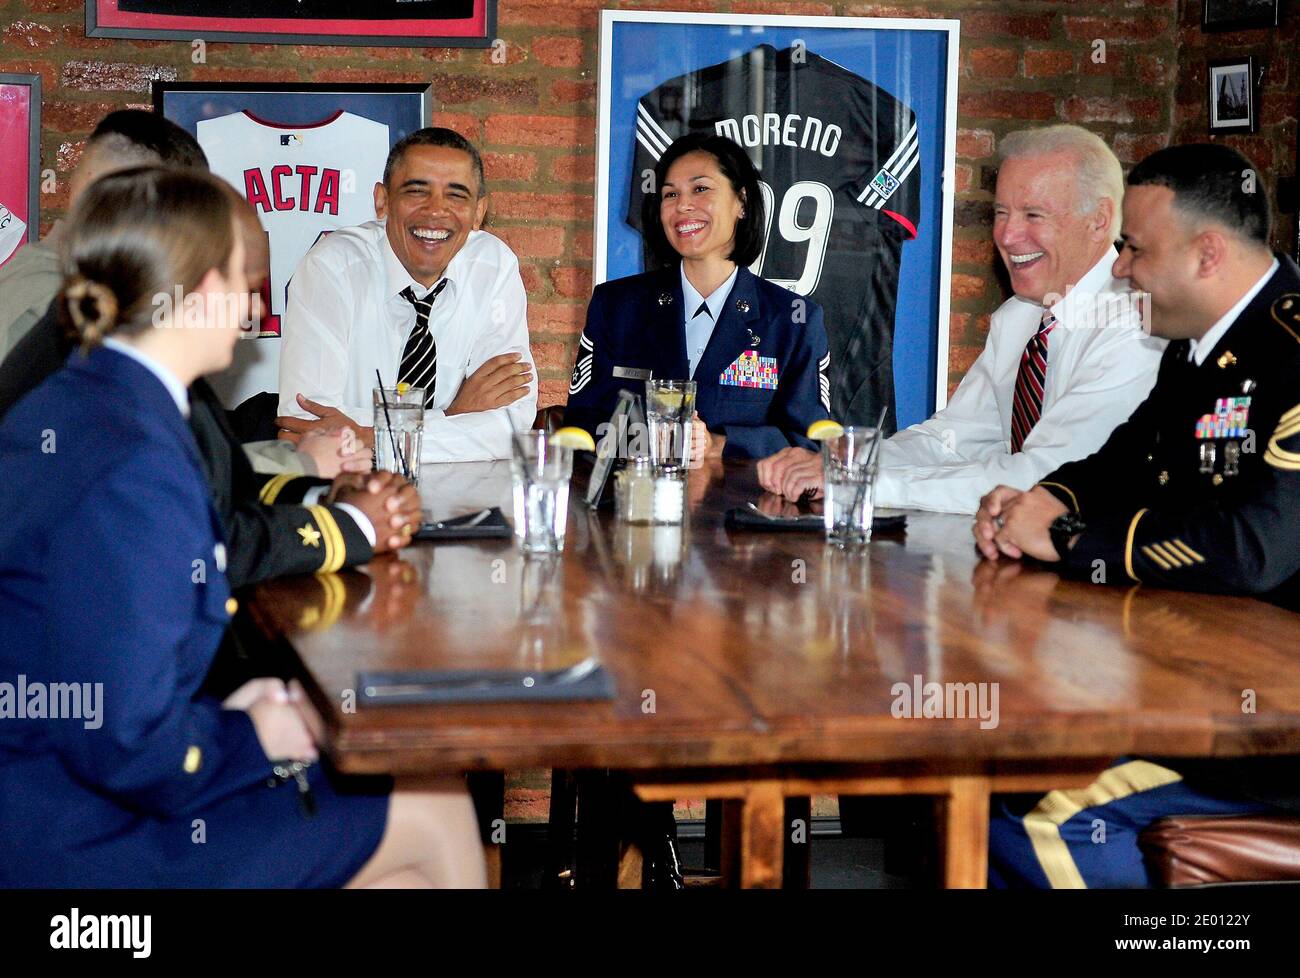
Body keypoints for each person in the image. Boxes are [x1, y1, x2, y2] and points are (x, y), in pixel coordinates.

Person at [0, 166, 484, 887]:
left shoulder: (82, 401)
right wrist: (252, 733)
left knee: (406, 841)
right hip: (84, 840)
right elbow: (126, 744)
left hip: (49, 794)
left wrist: (236, 706)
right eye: (243, 280)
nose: (254, 304)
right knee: (428, 798)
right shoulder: (137, 464)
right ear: (198, 294)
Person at [977, 143, 1300, 887]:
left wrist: (1067, 539)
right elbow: (1124, 459)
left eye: (1133, 248)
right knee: (996, 766)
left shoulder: (1291, 355)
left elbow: (1255, 550)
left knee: (1037, 810)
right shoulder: (1194, 351)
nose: (1118, 268)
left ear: (1207, 253)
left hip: (1271, 728)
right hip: (1200, 677)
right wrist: (1048, 498)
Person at [0, 111, 412, 588]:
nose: (254, 312)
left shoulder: (132, 358)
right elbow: (201, 544)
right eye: (245, 282)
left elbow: (218, 485)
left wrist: (320, 494)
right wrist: (351, 527)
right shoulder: (106, 379)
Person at [757, 125, 1166, 512]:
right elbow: (952, 440)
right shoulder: (1019, 318)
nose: (1007, 235)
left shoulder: (1137, 326)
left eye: (1033, 215)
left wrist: (862, 483)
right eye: (1001, 213)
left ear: (1098, 219)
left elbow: (1047, 477)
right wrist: (845, 462)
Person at [275, 127, 536, 462]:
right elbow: (307, 427)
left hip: (460, 494)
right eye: (417, 191)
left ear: (478, 212)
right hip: (349, 492)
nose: (436, 211)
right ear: (382, 200)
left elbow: (511, 427)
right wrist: (450, 415)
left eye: (456, 195)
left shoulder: (493, 267)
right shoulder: (332, 267)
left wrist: (370, 436)